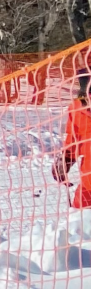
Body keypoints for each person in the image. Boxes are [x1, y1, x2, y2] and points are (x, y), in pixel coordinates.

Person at [54, 71, 91, 207]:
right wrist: (66, 159)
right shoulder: (77, 108)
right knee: (80, 211)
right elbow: (73, 136)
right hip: (88, 177)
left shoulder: (77, 107)